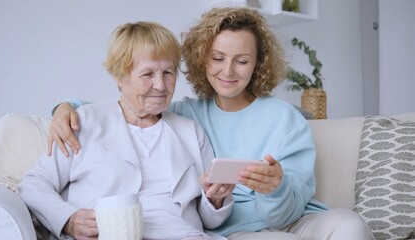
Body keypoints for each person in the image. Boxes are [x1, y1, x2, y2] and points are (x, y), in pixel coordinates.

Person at [47, 7, 374, 240]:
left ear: (257, 64)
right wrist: (66, 108)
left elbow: (284, 215)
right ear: (202, 58)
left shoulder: (284, 118)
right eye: (218, 58)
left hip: (294, 219)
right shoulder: (185, 115)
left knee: (350, 225)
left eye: (242, 61)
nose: (228, 71)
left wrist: (276, 189)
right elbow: (130, 106)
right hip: (234, 230)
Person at [18, 21, 235, 240]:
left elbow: (210, 220)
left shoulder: (190, 132)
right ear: (120, 77)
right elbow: (34, 184)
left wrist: (215, 199)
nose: (161, 85)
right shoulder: (83, 122)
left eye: (168, 72)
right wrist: (68, 220)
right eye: (148, 74)